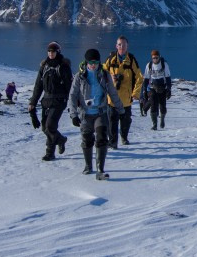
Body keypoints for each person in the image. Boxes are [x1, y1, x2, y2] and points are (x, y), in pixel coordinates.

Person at [68, 48, 124, 180]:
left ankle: (100, 169)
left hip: (100, 112)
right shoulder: (79, 76)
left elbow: (113, 93)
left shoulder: (104, 75)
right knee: (87, 140)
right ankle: (88, 166)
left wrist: (121, 110)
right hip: (85, 114)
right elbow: (72, 95)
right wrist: (73, 115)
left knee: (101, 138)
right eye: (91, 62)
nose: (93, 64)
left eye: (96, 62)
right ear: (86, 62)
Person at [27, 42, 73, 162]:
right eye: (49, 51)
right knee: (45, 128)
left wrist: (71, 103)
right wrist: (33, 102)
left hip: (59, 100)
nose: (51, 53)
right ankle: (61, 140)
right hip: (46, 101)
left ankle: (49, 153)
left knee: (50, 126)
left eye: (53, 51)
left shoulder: (63, 66)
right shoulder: (44, 66)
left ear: (58, 52)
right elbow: (38, 86)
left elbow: (69, 86)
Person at [103, 36, 143, 147]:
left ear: (127, 46)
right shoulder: (110, 59)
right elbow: (102, 72)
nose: (122, 47)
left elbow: (140, 77)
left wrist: (136, 93)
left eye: (124, 44)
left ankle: (124, 137)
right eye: (120, 44)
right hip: (112, 98)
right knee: (112, 121)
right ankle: (113, 142)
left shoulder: (131, 60)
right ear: (116, 46)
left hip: (126, 98)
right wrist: (111, 77)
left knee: (125, 121)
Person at [140, 49, 171, 130]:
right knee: (153, 104)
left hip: (162, 87)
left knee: (162, 106)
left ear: (159, 57)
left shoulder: (164, 64)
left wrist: (169, 89)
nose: (155, 59)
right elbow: (146, 79)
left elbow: (168, 78)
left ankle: (162, 119)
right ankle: (154, 125)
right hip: (153, 87)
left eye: (156, 58)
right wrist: (144, 91)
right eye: (153, 58)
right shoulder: (149, 65)